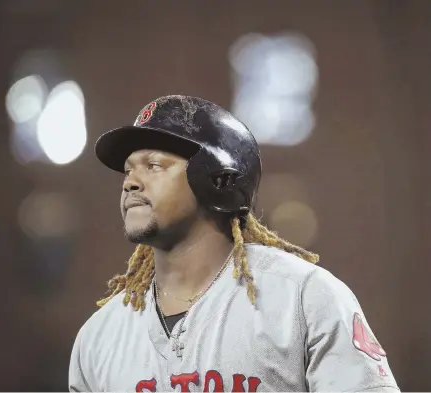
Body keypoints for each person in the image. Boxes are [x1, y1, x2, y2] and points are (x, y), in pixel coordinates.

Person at [69, 95, 399, 392]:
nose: (131, 183)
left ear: (217, 179)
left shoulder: (302, 298)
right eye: (128, 171)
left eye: (154, 166)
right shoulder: (99, 335)